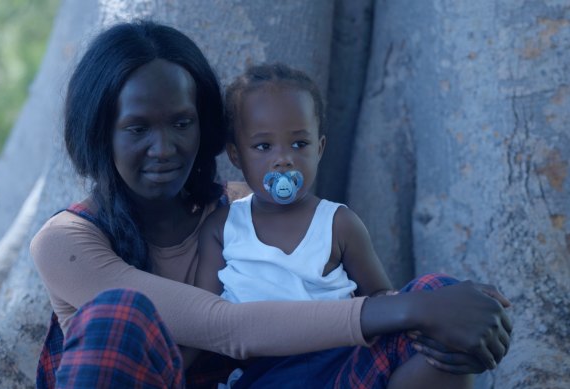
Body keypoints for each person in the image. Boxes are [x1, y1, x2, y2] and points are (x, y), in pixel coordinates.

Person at [30, 20, 512, 388]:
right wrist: (415, 310)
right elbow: (226, 327)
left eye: (182, 122)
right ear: (99, 132)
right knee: (120, 318)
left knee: (437, 292)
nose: (165, 147)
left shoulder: (242, 210)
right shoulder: (67, 241)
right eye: (138, 129)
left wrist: (454, 306)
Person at [193, 63, 507, 388]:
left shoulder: (339, 223)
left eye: (300, 144)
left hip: (337, 366)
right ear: (234, 155)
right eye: (263, 146)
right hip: (262, 375)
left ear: (321, 148)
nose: (283, 159)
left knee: (436, 290)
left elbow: (385, 298)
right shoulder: (222, 227)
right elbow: (203, 320)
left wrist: (443, 302)